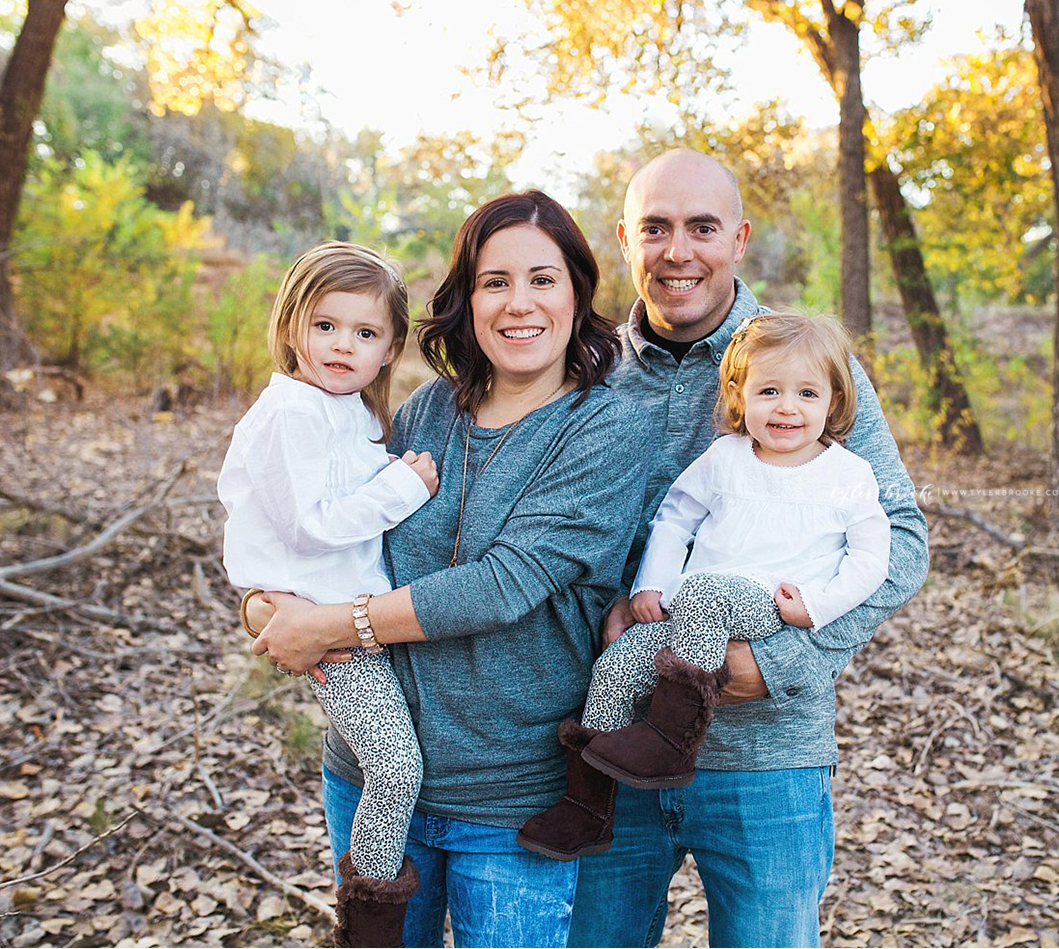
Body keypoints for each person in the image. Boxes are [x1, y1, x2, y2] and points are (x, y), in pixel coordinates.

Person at [246, 190, 651, 948]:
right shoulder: (430, 409)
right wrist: (266, 611)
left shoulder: (609, 426)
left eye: (543, 278)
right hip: (372, 777)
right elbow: (325, 534)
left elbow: (505, 585)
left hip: (510, 802)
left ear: (577, 292)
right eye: (495, 281)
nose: (518, 303)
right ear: (467, 299)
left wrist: (329, 627)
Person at [566, 149, 930, 948]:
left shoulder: (806, 367)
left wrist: (777, 665)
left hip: (767, 762)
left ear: (740, 238)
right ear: (625, 239)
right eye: (655, 229)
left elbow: (901, 538)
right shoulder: (582, 368)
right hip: (614, 750)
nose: (678, 251)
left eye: (702, 227)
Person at [517, 312, 891, 861]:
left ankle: (670, 739)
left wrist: (816, 606)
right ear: (740, 397)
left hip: (769, 612)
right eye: (769, 391)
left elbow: (872, 559)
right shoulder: (726, 457)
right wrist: (653, 586)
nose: (786, 407)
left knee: (710, 592)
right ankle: (588, 803)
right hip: (688, 618)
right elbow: (674, 516)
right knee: (618, 665)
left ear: (833, 402)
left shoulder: (849, 475)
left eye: (806, 393)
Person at [218, 242, 442, 946]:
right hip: (325, 626)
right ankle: (370, 918)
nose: (343, 345)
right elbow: (313, 527)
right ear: (291, 327)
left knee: (398, 756)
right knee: (396, 765)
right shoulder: (293, 412)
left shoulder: (344, 410)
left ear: (390, 349)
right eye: (326, 326)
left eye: (365, 332)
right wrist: (404, 487)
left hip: (349, 619)